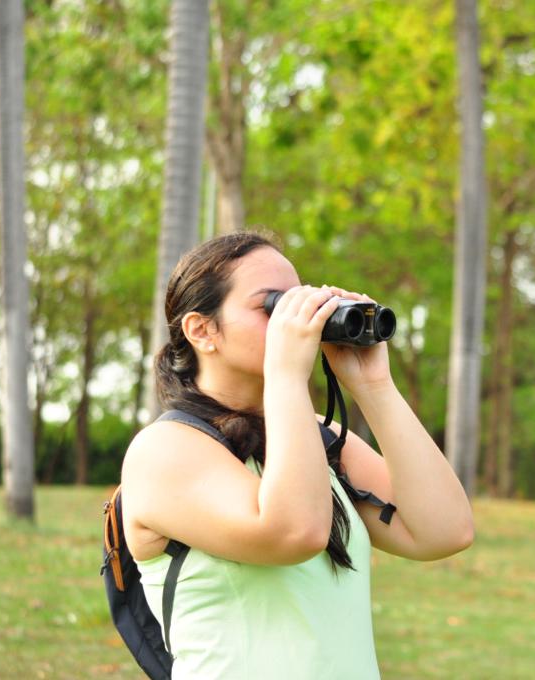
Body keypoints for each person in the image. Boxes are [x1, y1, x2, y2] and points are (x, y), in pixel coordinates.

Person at [121, 231, 474, 678]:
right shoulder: (165, 451)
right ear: (202, 330)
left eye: (298, 300)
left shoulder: (319, 439)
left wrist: (373, 386)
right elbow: (295, 533)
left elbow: (445, 531)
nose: (297, 319)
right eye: (273, 306)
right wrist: (287, 375)